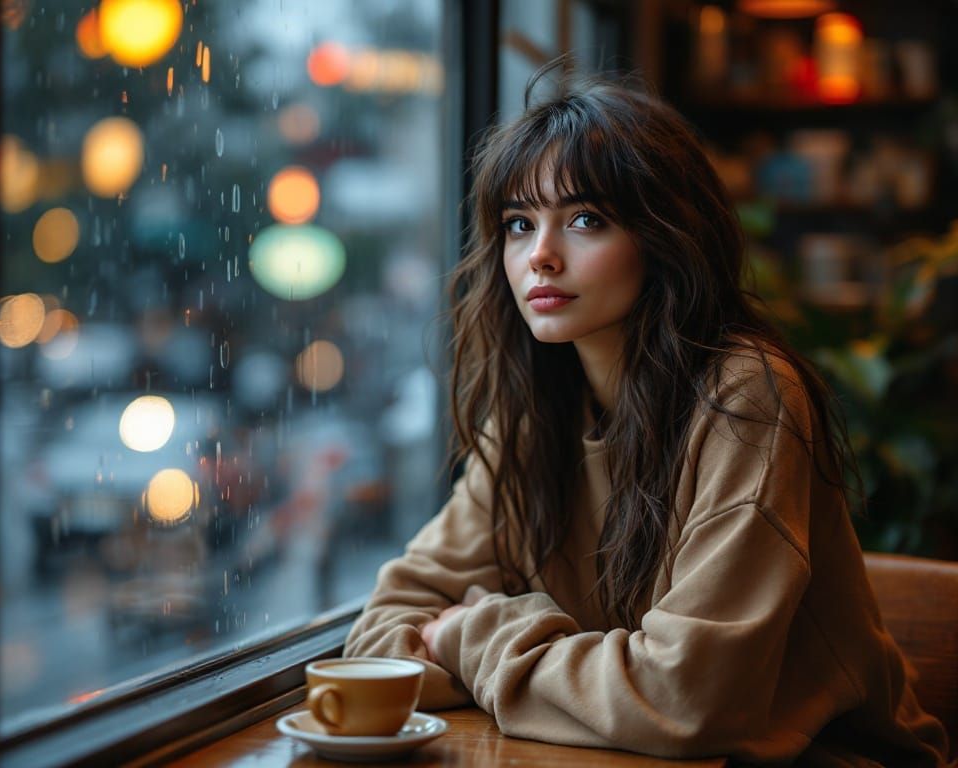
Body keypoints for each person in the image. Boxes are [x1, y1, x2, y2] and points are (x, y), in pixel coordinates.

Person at [344, 65, 951, 766]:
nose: (540, 255)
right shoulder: (536, 412)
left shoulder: (745, 398)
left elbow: (686, 702)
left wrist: (467, 635)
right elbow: (380, 640)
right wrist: (591, 684)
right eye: (518, 223)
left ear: (664, 235)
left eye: (584, 220)